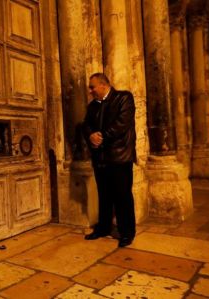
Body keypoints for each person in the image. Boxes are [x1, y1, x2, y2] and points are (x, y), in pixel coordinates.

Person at [82, 73, 137, 247]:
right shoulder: (92, 106)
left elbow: (122, 123)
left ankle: (127, 232)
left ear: (104, 85)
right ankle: (104, 227)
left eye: (92, 87)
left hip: (120, 157)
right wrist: (91, 135)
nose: (90, 91)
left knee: (123, 196)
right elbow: (86, 125)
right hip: (101, 158)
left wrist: (101, 136)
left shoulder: (124, 98)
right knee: (104, 196)